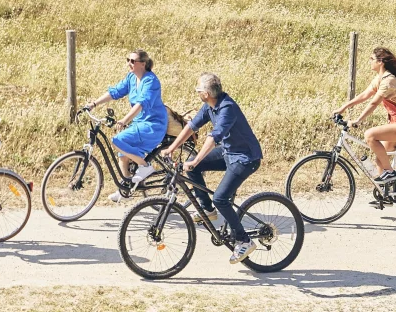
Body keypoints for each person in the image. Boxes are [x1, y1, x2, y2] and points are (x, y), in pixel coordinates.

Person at [159, 73, 262, 264]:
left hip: (246, 158)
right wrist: (171, 148)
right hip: (229, 152)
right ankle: (207, 210)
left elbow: (213, 138)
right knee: (192, 169)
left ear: (206, 93)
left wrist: (197, 160)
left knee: (221, 198)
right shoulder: (210, 105)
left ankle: (244, 240)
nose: (196, 93)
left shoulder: (227, 108)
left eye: (198, 90)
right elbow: (191, 126)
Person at [330, 47, 396, 185]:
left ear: (380, 62)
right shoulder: (380, 79)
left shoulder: (388, 81)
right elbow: (364, 95)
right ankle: (386, 195)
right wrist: (342, 108)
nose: (369, 61)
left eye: (372, 59)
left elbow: (373, 103)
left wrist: (358, 120)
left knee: (370, 135)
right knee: (379, 160)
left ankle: (390, 173)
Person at [79, 50, 168, 201]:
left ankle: (145, 166)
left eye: (133, 61)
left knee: (117, 141)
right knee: (123, 155)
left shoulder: (150, 81)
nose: (129, 63)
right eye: (128, 60)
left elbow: (141, 104)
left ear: (143, 64)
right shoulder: (131, 78)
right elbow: (115, 92)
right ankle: (125, 191)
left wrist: (124, 120)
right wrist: (93, 104)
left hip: (152, 125)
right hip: (139, 123)